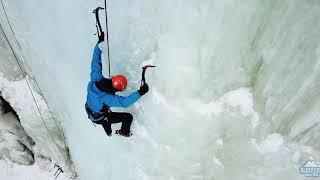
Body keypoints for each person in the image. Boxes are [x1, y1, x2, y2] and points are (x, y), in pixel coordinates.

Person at [85, 34, 149, 137]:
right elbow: (125, 102)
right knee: (127, 117)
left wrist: (98, 45)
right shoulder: (107, 98)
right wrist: (141, 92)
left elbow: (95, 61)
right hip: (98, 117)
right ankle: (123, 132)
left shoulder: (96, 78)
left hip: (89, 109)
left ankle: (108, 129)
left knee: (105, 115)